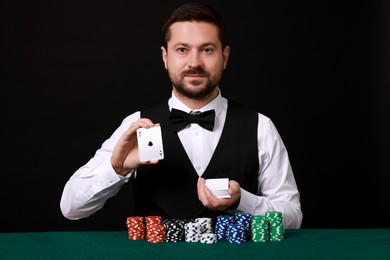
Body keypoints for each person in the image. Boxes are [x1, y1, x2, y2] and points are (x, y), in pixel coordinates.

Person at [60, 1, 303, 229]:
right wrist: (116, 169)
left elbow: (293, 217)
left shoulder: (260, 126)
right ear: (166, 57)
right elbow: (71, 208)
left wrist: (243, 202)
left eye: (207, 50)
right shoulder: (138, 125)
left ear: (224, 57)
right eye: (182, 50)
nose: (194, 62)